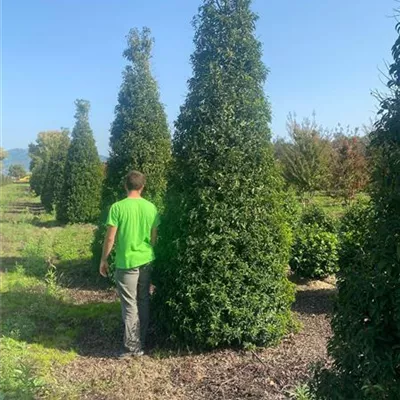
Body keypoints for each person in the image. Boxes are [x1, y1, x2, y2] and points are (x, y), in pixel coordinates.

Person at [99, 170, 159, 358]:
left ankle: (133, 348)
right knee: (143, 299)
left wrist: (104, 259)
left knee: (129, 304)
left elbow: (110, 238)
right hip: (146, 259)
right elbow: (154, 238)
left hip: (126, 262)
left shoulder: (117, 207)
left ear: (126, 185)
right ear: (142, 186)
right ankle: (140, 341)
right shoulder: (151, 208)